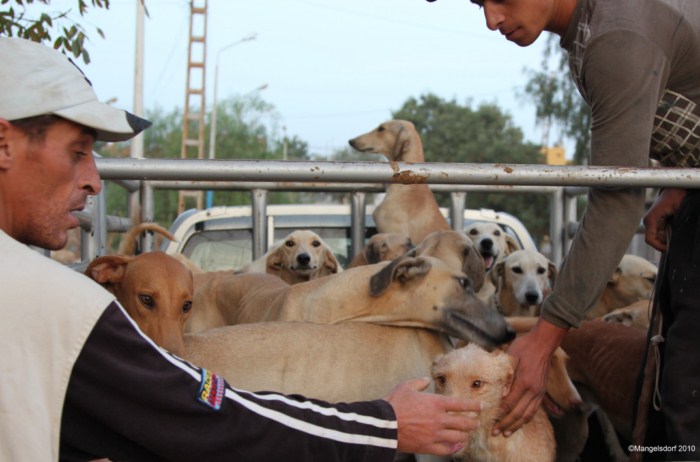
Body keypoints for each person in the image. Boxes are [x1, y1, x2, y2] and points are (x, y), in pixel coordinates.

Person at [0, 37, 482, 461]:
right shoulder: (53, 302)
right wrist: (384, 426)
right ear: (4, 144)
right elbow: (205, 416)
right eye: (78, 151)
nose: (94, 180)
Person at [426, 0, 700, 459]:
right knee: (675, 385)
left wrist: (544, 339)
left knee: (688, 399)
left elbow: (616, 199)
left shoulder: (616, 36)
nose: (491, 19)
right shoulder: (598, 24)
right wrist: (680, 180)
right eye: (478, 4)